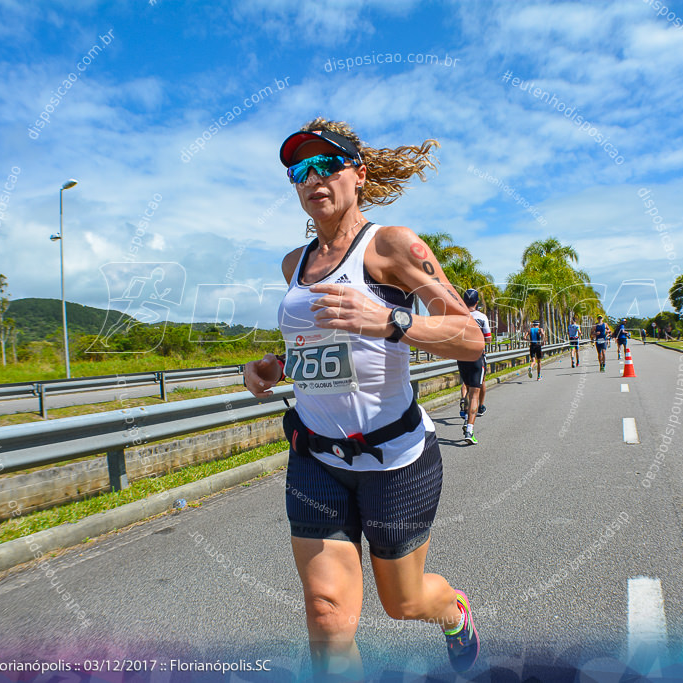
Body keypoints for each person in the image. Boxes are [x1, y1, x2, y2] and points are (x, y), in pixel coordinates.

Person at [243, 119, 483, 678]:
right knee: (326, 616)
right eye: (300, 169)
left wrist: (392, 321)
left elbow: (470, 336)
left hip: (395, 459)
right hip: (316, 457)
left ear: (360, 175)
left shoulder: (393, 246)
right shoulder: (293, 264)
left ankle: (453, 610)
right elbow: (315, 346)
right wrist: (273, 367)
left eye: (328, 164)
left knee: (403, 604)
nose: (313, 177)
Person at [456, 289, 491, 444]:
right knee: (475, 394)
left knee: (466, 385)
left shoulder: (458, 316)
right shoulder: (482, 317)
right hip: (477, 357)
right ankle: (469, 430)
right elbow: (488, 339)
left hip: (461, 357)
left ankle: (464, 406)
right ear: (477, 302)